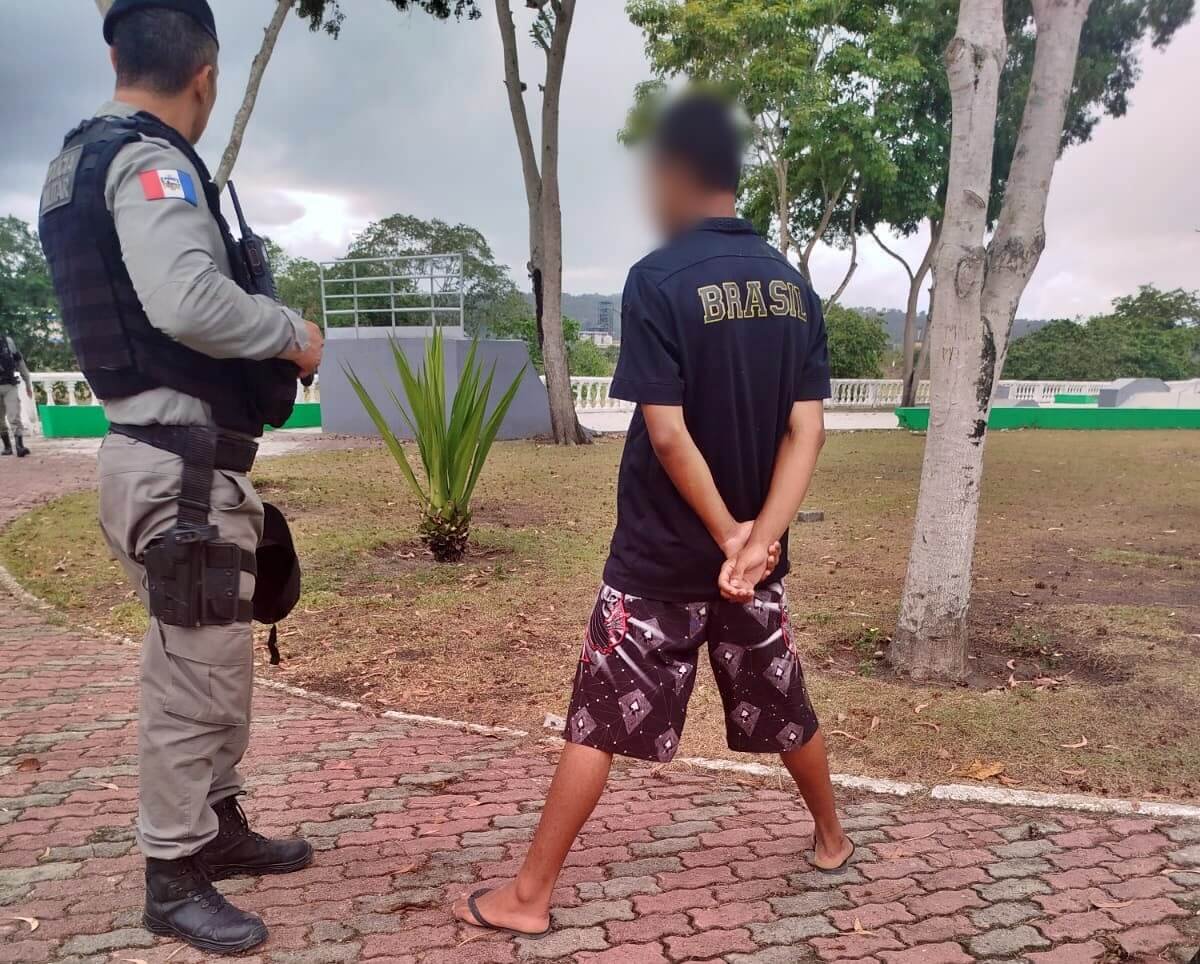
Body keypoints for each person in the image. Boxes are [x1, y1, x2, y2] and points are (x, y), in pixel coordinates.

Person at [454, 92, 853, 938]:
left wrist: (727, 535)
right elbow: (807, 429)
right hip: (752, 569)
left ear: (673, 173)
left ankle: (529, 896)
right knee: (782, 698)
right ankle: (831, 837)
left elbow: (667, 435)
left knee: (597, 718)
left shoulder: (659, 279)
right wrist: (758, 543)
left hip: (661, 560)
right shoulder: (793, 289)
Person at [37, 0, 323, 955]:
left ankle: (217, 826)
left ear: (118, 56)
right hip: (179, 478)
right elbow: (187, 298)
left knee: (210, 664)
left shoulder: (76, 162)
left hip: (166, 464)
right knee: (188, 681)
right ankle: (171, 874)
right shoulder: (150, 162)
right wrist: (292, 334)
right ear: (206, 77)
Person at [0, 331, 33, 457]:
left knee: (14, 416)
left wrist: (27, 382)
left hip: (9, 385)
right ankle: (7, 447)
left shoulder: (7, 342)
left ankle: (20, 446)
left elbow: (20, 362)